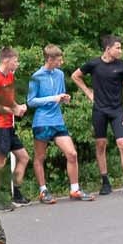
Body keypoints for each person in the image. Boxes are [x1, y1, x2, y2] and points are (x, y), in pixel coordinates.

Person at [70, 35, 123, 197]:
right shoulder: (94, 64)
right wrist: (88, 92)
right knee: (101, 145)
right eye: (118, 48)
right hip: (99, 110)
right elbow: (75, 76)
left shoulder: (122, 66)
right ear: (108, 49)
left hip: (117, 111)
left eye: (121, 48)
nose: (121, 51)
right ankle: (105, 182)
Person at [25, 44, 87, 204]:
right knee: (40, 157)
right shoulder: (36, 76)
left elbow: (60, 94)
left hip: (57, 120)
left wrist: (64, 98)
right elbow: (31, 101)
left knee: (72, 154)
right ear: (50, 59)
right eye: (59, 59)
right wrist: (53, 98)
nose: (61, 62)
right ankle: (43, 191)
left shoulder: (59, 74)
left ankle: (75, 189)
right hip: (42, 121)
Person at [0, 47, 26, 208]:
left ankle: (17, 194)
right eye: (15, 60)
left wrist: (17, 107)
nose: (17, 63)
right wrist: (13, 110)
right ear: (6, 61)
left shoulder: (10, 76)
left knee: (23, 157)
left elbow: (9, 100)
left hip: (9, 125)